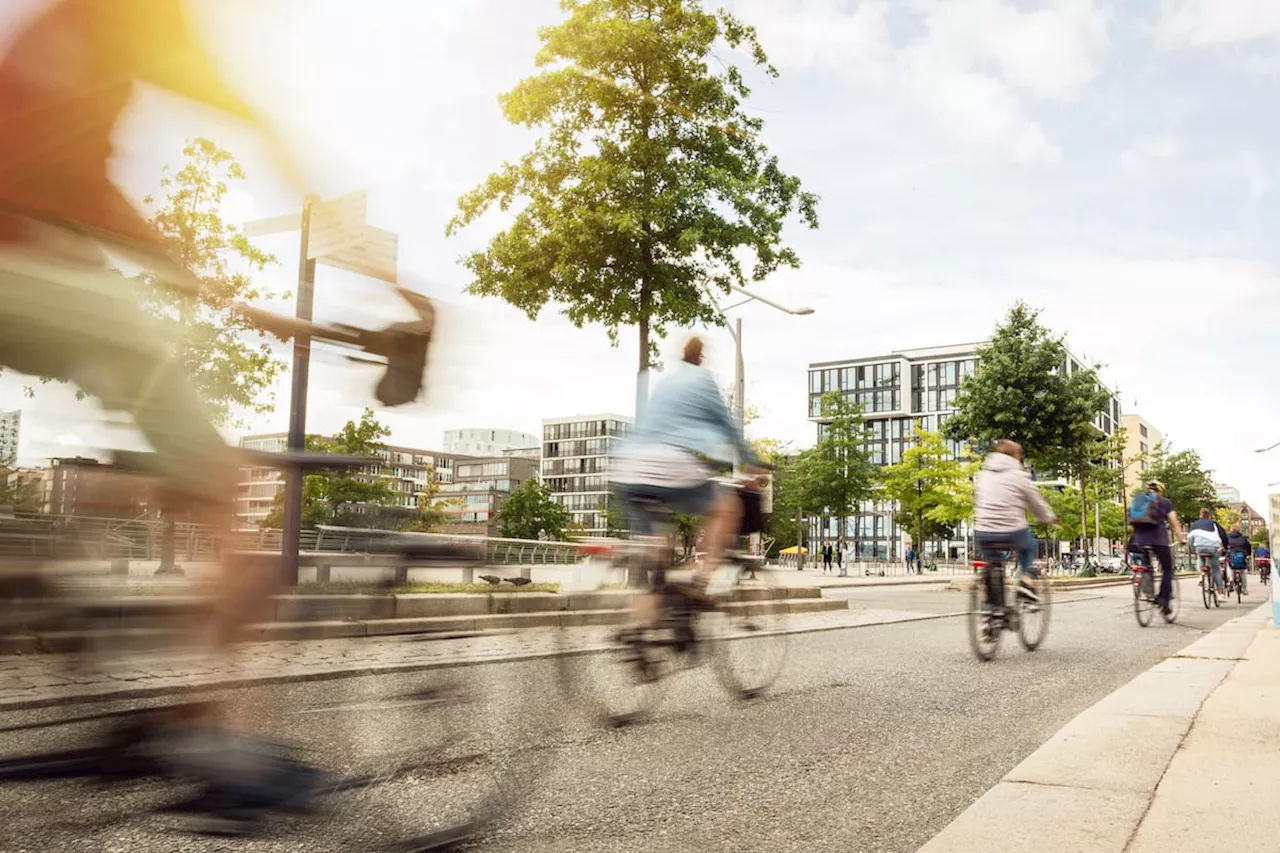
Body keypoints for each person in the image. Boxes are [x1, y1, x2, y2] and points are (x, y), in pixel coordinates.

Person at [0, 0, 390, 831]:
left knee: (158, 464)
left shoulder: (59, 27)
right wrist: (387, 288)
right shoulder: (140, 16)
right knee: (218, 486)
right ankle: (213, 744)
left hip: (38, 270)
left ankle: (43, 586)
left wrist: (248, 307)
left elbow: (89, 190)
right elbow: (269, 134)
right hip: (37, 269)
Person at [613, 335, 761, 614]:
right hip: (670, 462)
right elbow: (727, 426)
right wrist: (750, 463)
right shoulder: (702, 380)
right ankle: (701, 581)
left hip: (630, 466)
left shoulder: (666, 382)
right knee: (727, 507)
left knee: (656, 556)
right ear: (701, 357)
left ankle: (637, 637)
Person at [972, 440, 1058, 607]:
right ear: (1015, 456)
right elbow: (1036, 504)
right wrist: (1049, 517)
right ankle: (1025, 582)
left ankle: (990, 612)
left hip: (982, 531)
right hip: (1011, 531)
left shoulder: (983, 474)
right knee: (1030, 545)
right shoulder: (1019, 475)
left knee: (993, 564)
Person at [1128, 480, 1184, 616]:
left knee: (1147, 567)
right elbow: (1173, 521)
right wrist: (1181, 537)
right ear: (1160, 491)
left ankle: (1148, 593)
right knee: (1167, 568)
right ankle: (1163, 599)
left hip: (1139, 540)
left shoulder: (1139, 500)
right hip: (1159, 540)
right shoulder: (1164, 502)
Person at [1187, 508, 1229, 596]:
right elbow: (1223, 535)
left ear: (1200, 515)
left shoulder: (1194, 525)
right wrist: (1225, 547)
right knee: (1216, 569)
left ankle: (1202, 574)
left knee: (1200, 556)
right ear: (1209, 516)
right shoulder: (1214, 523)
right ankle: (1220, 593)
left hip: (1199, 547)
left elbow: (1190, 539)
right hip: (1213, 547)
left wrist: (1193, 548)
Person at [1227, 524, 1252, 594]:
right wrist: (1248, 555)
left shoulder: (1227, 537)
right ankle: (1244, 589)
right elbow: (1249, 546)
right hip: (1242, 556)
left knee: (1230, 568)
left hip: (1231, 556)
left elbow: (1225, 546)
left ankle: (1231, 579)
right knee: (1243, 572)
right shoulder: (1243, 538)